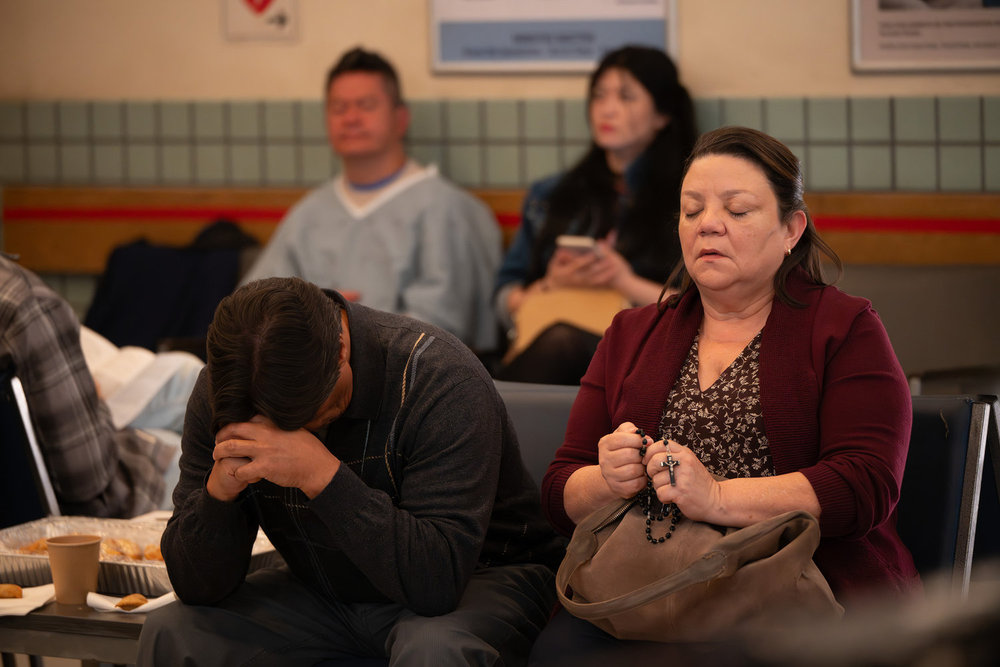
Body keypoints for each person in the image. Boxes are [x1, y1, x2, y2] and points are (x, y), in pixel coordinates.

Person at [529, 126, 920, 663]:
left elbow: (864, 485)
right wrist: (607, 479)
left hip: (795, 589)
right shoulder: (631, 331)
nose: (708, 224)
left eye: (737, 211)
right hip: (641, 588)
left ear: (791, 229)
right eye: (692, 211)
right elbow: (558, 490)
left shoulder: (845, 327)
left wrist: (715, 498)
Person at [137, 276, 565, 666]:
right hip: (325, 587)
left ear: (341, 350)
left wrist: (321, 474)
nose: (294, 435)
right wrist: (219, 496)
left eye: (311, 415)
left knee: (436, 650)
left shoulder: (439, 378)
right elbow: (196, 587)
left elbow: (436, 583)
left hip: (483, 575)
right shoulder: (227, 391)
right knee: (174, 630)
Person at [240, 46, 501, 353]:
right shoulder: (308, 213)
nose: (351, 118)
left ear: (400, 118)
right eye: (338, 108)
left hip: (408, 382)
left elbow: (441, 324)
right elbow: (250, 308)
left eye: (365, 105)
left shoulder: (444, 208)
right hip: (309, 380)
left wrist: (347, 328)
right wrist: (305, 315)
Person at [493, 45, 696, 384]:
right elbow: (504, 298)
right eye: (599, 96)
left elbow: (709, 307)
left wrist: (623, 280)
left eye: (626, 97)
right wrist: (551, 283)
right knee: (555, 341)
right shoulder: (550, 195)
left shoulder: (691, 199)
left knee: (564, 342)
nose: (607, 109)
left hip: (648, 356)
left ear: (663, 115)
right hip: (546, 339)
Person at [0, 253, 178, 517]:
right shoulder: (24, 302)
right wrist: (96, 403)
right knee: (197, 457)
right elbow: (88, 481)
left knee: (186, 373)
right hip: (75, 518)